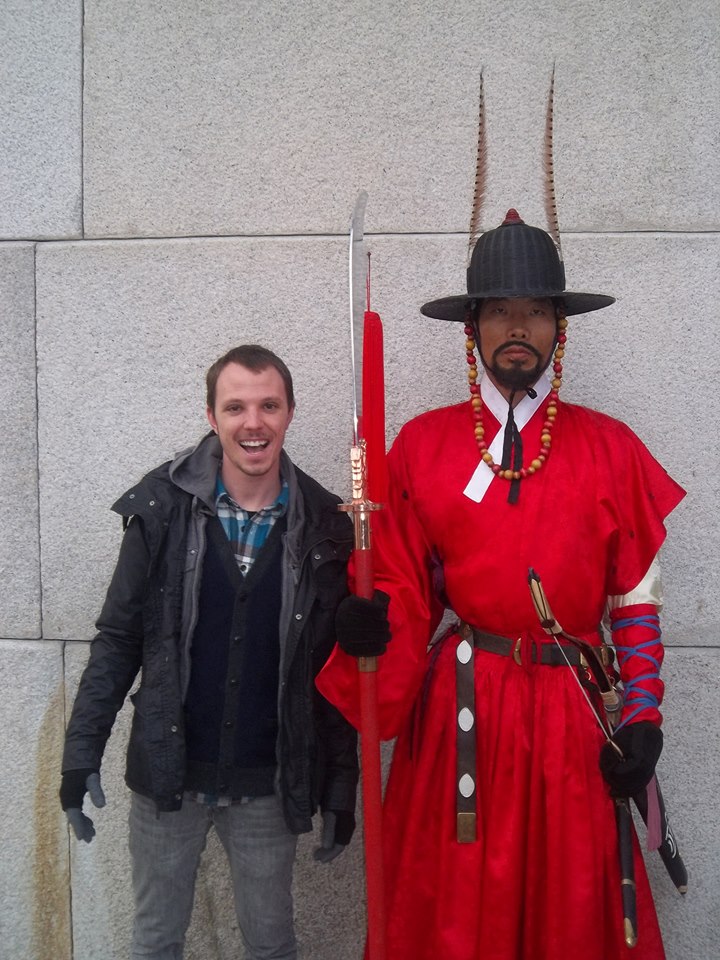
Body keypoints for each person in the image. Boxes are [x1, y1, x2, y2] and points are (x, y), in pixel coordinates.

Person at [317, 210, 685, 960]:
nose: (517, 325)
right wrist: (371, 622)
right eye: (499, 310)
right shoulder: (421, 445)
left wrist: (642, 719)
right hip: (462, 718)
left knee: (573, 916)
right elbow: (399, 583)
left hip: (572, 724)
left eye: (535, 310)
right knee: (451, 919)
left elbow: (635, 604)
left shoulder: (611, 449)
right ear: (473, 328)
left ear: (559, 326)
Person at [60, 344, 359, 960]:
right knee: (156, 942)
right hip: (168, 776)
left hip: (266, 782)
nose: (254, 423)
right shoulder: (162, 508)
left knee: (272, 947)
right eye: (237, 407)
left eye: (269, 405)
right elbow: (118, 640)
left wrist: (339, 783)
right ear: (213, 415)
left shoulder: (325, 526)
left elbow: (330, 673)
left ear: (290, 413)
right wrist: (80, 750)